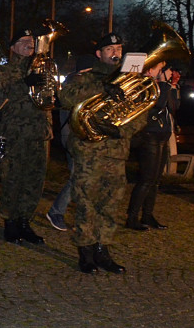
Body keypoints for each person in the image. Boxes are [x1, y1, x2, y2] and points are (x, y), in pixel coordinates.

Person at [60, 32, 143, 274]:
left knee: (110, 203)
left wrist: (122, 131)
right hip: (89, 152)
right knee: (86, 202)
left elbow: (142, 112)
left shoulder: (130, 80)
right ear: (99, 54)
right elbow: (65, 98)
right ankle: (85, 252)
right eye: (109, 49)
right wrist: (102, 88)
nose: (115, 52)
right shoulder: (86, 77)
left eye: (118, 48)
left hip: (117, 152)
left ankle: (102, 249)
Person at [0, 27, 49, 246]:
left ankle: (25, 221)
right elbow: (0, 98)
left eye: (31, 40)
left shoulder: (40, 68)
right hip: (15, 133)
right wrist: (24, 85)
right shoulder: (4, 72)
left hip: (38, 132)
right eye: (23, 41)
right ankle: (10, 222)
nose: (29, 44)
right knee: (12, 179)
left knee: (34, 180)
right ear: (13, 47)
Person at [125, 59, 179, 231]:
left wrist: (173, 87)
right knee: (147, 179)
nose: (170, 73)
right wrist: (163, 85)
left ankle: (147, 215)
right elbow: (158, 105)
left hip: (162, 134)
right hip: (150, 135)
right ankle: (132, 217)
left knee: (155, 180)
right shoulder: (144, 85)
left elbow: (174, 106)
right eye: (164, 69)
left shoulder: (164, 86)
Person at [45, 54, 97, 232]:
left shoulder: (77, 81)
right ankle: (56, 211)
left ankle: (81, 215)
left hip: (79, 136)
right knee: (78, 176)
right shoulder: (76, 82)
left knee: (83, 176)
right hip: (74, 136)